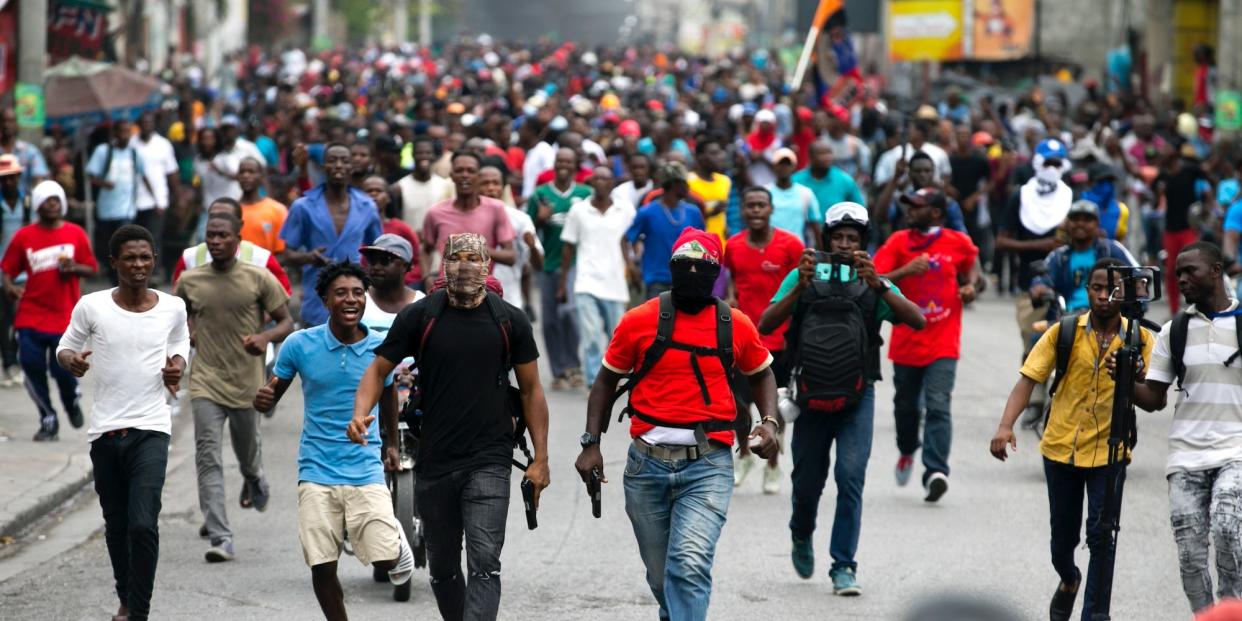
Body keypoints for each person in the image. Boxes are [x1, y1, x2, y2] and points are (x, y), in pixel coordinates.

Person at [574, 227, 780, 621]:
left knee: (687, 564)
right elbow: (605, 381)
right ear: (670, 268)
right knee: (660, 573)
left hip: (708, 464)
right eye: (683, 266)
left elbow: (762, 373)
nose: (692, 274)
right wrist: (590, 443)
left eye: (703, 268)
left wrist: (768, 422)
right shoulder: (639, 320)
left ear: (716, 272)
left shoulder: (734, 323)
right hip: (645, 465)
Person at [355, 233, 551, 621]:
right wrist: (360, 413)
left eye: (473, 258)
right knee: (443, 568)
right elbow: (379, 371)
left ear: (486, 264)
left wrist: (541, 458)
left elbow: (531, 391)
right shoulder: (421, 316)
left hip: (490, 458)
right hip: (435, 458)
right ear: (443, 263)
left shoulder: (509, 319)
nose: (465, 265)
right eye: (456, 257)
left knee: (484, 562)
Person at [759, 201, 924, 596]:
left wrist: (880, 283)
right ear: (827, 239)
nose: (846, 245)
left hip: (857, 395)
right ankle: (801, 534)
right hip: (809, 395)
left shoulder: (873, 282)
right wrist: (798, 285)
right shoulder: (806, 276)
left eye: (853, 238)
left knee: (850, 479)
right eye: (839, 237)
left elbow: (917, 319)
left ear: (864, 241)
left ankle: (843, 566)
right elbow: (765, 324)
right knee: (806, 483)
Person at [991, 257, 1153, 621]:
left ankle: (1095, 616)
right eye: (1096, 288)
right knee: (1062, 543)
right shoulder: (1062, 331)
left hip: (1109, 451)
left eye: (1111, 289)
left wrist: (1131, 377)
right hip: (1060, 448)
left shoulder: (1140, 339)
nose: (1103, 296)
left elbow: (1155, 400)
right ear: (1087, 290)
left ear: (1124, 293)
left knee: (1102, 536)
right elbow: (1028, 380)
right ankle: (1068, 578)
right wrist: (1005, 425)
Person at [253, 261, 415, 619]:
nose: (350, 299)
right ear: (325, 299)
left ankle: (399, 542)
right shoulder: (299, 344)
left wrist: (390, 442)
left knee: (387, 558)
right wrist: (262, 399)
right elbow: (272, 394)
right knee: (322, 566)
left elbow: (388, 393)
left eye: (358, 293)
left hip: (364, 465)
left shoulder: (381, 346)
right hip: (316, 468)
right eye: (340, 293)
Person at [56, 224, 189, 621]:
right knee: (116, 525)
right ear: (114, 263)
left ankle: (138, 612)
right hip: (105, 431)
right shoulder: (92, 306)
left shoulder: (172, 307)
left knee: (143, 524)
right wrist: (72, 361)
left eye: (145, 257)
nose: (138, 265)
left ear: (154, 261)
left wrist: (177, 367)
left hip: (151, 427)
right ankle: (126, 598)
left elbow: (180, 344)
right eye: (129, 258)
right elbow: (65, 347)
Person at [1122, 242, 1242, 614]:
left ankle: (1232, 610)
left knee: (1227, 530)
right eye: (1178, 274)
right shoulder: (1174, 330)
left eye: (1191, 271)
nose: (1183, 279)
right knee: (1190, 555)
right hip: (1185, 456)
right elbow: (1154, 398)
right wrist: (1123, 380)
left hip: (1236, 451)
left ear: (1217, 270)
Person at [176, 211, 293, 562]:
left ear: (237, 239)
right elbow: (176, 317)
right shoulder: (189, 280)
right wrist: (188, 332)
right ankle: (221, 536)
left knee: (246, 453)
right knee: (207, 456)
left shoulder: (258, 278)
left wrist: (265, 336)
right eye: (210, 235)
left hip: (247, 382)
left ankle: (253, 476)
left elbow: (287, 320)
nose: (215, 241)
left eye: (222, 235)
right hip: (205, 381)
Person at [874, 187, 980, 501]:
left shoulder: (956, 241)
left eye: (916, 206)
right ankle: (907, 450)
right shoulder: (898, 241)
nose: (909, 211)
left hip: (944, 339)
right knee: (905, 407)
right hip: (907, 340)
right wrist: (906, 270)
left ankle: (936, 471)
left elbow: (971, 265)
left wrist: (971, 285)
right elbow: (874, 277)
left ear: (935, 212)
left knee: (938, 404)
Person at [1, 180, 97, 441]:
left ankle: (71, 400)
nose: (52, 204)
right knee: (31, 365)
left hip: (64, 316)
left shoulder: (75, 233)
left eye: (56, 199)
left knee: (61, 370)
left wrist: (74, 268)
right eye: (47, 200)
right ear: (38, 205)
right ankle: (48, 417)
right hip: (31, 314)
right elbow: (7, 268)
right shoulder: (24, 236)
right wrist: (9, 287)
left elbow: (92, 267)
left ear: (62, 203)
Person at [724, 187, 804, 493]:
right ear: (743, 210)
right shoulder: (733, 245)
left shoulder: (790, 245)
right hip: (743, 339)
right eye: (751, 205)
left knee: (774, 407)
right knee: (738, 405)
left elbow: (802, 284)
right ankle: (743, 454)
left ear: (771, 210)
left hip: (780, 341)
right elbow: (729, 280)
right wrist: (730, 299)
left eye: (762, 205)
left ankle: (772, 466)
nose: (756, 210)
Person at [281, 143, 383, 326]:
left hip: (355, 300)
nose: (338, 165)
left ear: (351, 167)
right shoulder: (303, 206)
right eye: (332, 160)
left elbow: (377, 251)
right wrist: (308, 257)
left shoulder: (367, 206)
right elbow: (287, 255)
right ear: (322, 167)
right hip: (316, 297)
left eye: (344, 161)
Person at [559, 165, 635, 387]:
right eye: (598, 178)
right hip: (586, 281)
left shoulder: (625, 210)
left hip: (615, 282)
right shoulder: (579, 211)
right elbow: (568, 248)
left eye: (606, 178)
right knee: (591, 335)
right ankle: (594, 380)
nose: (602, 182)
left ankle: (613, 377)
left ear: (612, 183)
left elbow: (627, 241)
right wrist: (563, 284)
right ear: (592, 182)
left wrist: (631, 266)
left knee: (616, 336)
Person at [531, 147, 591, 389]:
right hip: (547, 264)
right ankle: (559, 372)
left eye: (569, 160)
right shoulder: (540, 194)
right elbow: (528, 231)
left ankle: (574, 365)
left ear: (575, 165)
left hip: (576, 264)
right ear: (554, 165)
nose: (563, 165)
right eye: (559, 161)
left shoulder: (585, 193)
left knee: (571, 314)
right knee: (551, 320)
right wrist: (540, 219)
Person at [421, 151, 518, 289]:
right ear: (452, 175)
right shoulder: (436, 212)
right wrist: (427, 277)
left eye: (471, 171)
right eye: (459, 170)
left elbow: (510, 256)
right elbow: (425, 249)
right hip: (446, 290)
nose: (465, 175)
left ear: (479, 176)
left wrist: (473, 248)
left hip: (482, 291)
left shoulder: (496, 209)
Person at [1030, 201, 1137, 315]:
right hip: (1067, 317)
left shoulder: (1111, 249)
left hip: (1109, 316)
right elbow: (1042, 280)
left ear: (1097, 223)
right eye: (1075, 219)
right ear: (1067, 223)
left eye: (1087, 220)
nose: (1080, 224)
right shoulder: (1059, 256)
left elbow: (1138, 275)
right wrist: (1039, 288)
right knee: (1038, 333)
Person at [172, 198, 291, 293]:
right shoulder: (190, 256)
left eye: (226, 217)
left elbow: (284, 291)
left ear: (239, 225)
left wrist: (259, 321)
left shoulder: (261, 257)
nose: (218, 222)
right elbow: (177, 299)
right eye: (214, 217)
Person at [627, 162, 706, 299]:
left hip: (686, 280)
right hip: (656, 280)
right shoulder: (648, 212)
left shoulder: (693, 212)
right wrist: (632, 266)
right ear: (674, 184)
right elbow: (627, 238)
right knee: (658, 320)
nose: (688, 187)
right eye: (684, 183)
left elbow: (702, 244)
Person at [88, 120, 152, 282]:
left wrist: (154, 197)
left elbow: (143, 175)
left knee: (125, 242)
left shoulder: (134, 154)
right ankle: (113, 275)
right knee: (109, 245)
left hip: (126, 209)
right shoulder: (104, 151)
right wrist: (104, 183)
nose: (125, 135)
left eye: (128, 131)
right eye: (122, 131)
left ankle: (125, 276)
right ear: (115, 133)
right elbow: (91, 177)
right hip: (106, 209)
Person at [1155, 145, 1214, 314]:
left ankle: (1198, 305)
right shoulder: (1163, 175)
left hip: (1189, 228)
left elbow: (1208, 176)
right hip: (1170, 229)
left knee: (1193, 266)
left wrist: (1207, 205)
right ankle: (1174, 311)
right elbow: (1154, 201)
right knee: (1172, 270)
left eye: (1165, 151)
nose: (1162, 153)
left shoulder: (1190, 170)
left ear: (1174, 154)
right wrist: (1159, 193)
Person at [480, 163, 542, 309]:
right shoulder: (465, 217)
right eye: (485, 183)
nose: (491, 188)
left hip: (509, 301)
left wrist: (532, 247)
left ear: (503, 187)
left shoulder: (520, 219)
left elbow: (538, 265)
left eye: (495, 183)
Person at [129, 112, 180, 263]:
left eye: (149, 123)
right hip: (133, 201)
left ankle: (153, 270)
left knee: (153, 238)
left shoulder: (163, 144)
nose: (146, 126)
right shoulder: (131, 143)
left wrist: (176, 196)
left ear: (153, 124)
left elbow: (172, 172)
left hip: (157, 199)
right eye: (143, 123)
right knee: (135, 238)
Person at [362, 175, 421, 286]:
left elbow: (417, 262)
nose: (373, 194)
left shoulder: (402, 228)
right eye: (369, 191)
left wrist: (400, 280)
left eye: (378, 191)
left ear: (388, 198)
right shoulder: (353, 227)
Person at [792, 140, 865, 227]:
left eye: (829, 153)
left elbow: (860, 209)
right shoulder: (796, 180)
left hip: (834, 236)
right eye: (821, 154)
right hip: (803, 236)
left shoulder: (844, 180)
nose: (827, 157)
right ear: (810, 157)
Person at [0, 154, 24, 386]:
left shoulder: (27, 203)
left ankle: (15, 361)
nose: (8, 183)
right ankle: (8, 365)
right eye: (4, 179)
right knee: (3, 320)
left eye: (11, 178)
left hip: (22, 272)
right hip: (1, 271)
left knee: (20, 318)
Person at [766, 148, 822, 246]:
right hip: (770, 248)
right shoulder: (765, 192)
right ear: (774, 167)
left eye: (788, 164)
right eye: (780, 164)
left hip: (797, 250)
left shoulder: (806, 193)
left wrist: (825, 258)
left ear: (794, 167)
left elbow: (816, 228)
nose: (784, 167)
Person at [237, 158, 288, 255]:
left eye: (251, 172)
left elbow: (283, 252)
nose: (246, 175)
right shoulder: (230, 211)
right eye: (242, 172)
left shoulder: (278, 210)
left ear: (261, 177)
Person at [688, 138, 732, 244]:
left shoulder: (725, 181)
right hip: (697, 246)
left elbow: (723, 215)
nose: (720, 157)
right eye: (713, 153)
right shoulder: (688, 183)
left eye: (719, 152)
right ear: (700, 157)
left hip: (720, 244)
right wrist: (710, 214)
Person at [0, 108, 49, 197]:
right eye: (3, 121)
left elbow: (39, 178)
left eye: (11, 121)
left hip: (25, 205)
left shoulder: (30, 152)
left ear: (16, 124)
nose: (6, 125)